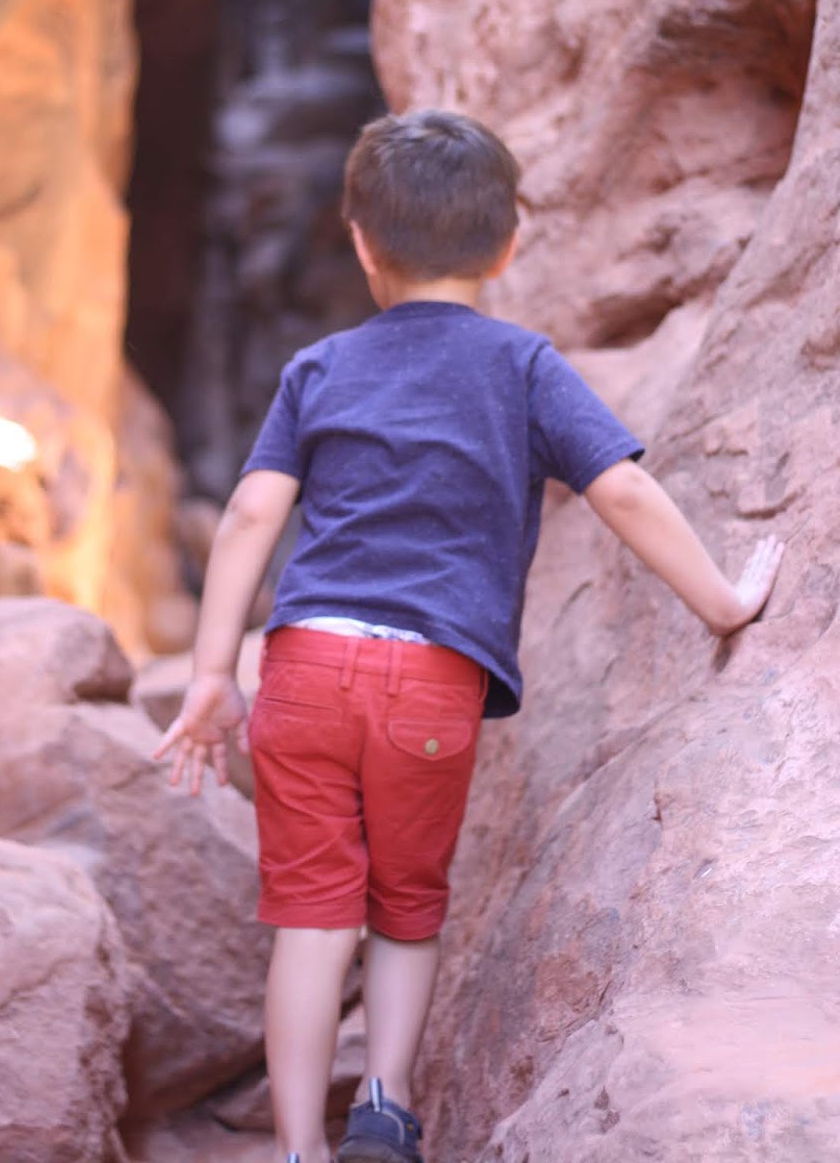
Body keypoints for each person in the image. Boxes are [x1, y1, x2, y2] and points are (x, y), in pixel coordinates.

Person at [154, 110, 783, 1163]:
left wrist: (214, 672)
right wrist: (721, 600)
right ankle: (386, 1108)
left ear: (360, 242)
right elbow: (621, 490)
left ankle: (298, 1146)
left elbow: (252, 516)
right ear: (508, 243)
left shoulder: (319, 367)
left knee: (311, 916)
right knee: (404, 905)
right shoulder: (523, 367)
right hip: (428, 682)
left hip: (302, 668)